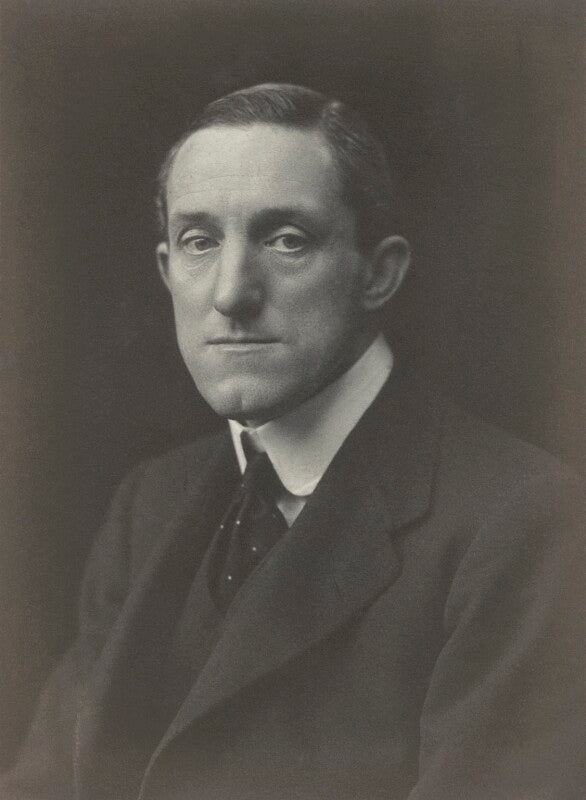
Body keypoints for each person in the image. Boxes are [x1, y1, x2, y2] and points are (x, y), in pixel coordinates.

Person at [1, 83, 583, 800]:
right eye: (199, 242)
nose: (230, 293)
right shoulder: (149, 506)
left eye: (286, 240)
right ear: (166, 271)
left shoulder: (524, 526)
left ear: (378, 273)